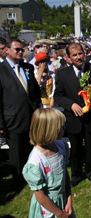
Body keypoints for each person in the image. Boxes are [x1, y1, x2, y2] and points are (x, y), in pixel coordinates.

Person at [54, 43, 91, 187]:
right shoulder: (62, 74)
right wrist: (71, 105)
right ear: (68, 57)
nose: (78, 57)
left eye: (80, 53)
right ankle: (76, 174)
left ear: (85, 53)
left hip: (90, 118)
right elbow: (58, 95)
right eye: (74, 55)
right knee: (75, 148)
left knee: (90, 146)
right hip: (73, 118)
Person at [0, 37, 41, 189]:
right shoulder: (1, 70)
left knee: (32, 149)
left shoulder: (27, 68)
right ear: (7, 50)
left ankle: (32, 176)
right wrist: (1, 123)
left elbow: (35, 91)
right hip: (13, 119)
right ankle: (18, 181)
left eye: (21, 49)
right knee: (16, 153)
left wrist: (37, 108)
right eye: (16, 49)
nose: (20, 52)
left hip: (31, 117)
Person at [23, 108, 76, 218]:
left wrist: (69, 200)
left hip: (63, 202)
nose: (64, 129)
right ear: (49, 130)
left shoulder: (61, 147)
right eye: (60, 127)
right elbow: (40, 197)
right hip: (48, 209)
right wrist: (60, 214)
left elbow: (65, 175)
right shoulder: (35, 162)